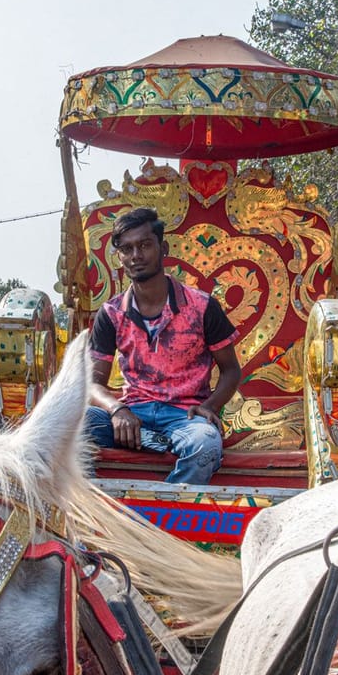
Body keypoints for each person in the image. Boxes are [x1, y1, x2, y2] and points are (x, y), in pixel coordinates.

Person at [86, 207, 242, 484]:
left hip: (186, 417)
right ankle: (93, 513)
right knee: (74, 423)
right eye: (127, 249)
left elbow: (230, 370)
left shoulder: (202, 306)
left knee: (205, 444)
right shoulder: (110, 314)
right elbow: (93, 382)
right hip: (133, 413)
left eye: (145, 245)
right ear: (119, 257)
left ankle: (157, 519)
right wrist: (117, 410)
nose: (136, 256)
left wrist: (211, 407)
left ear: (163, 248)